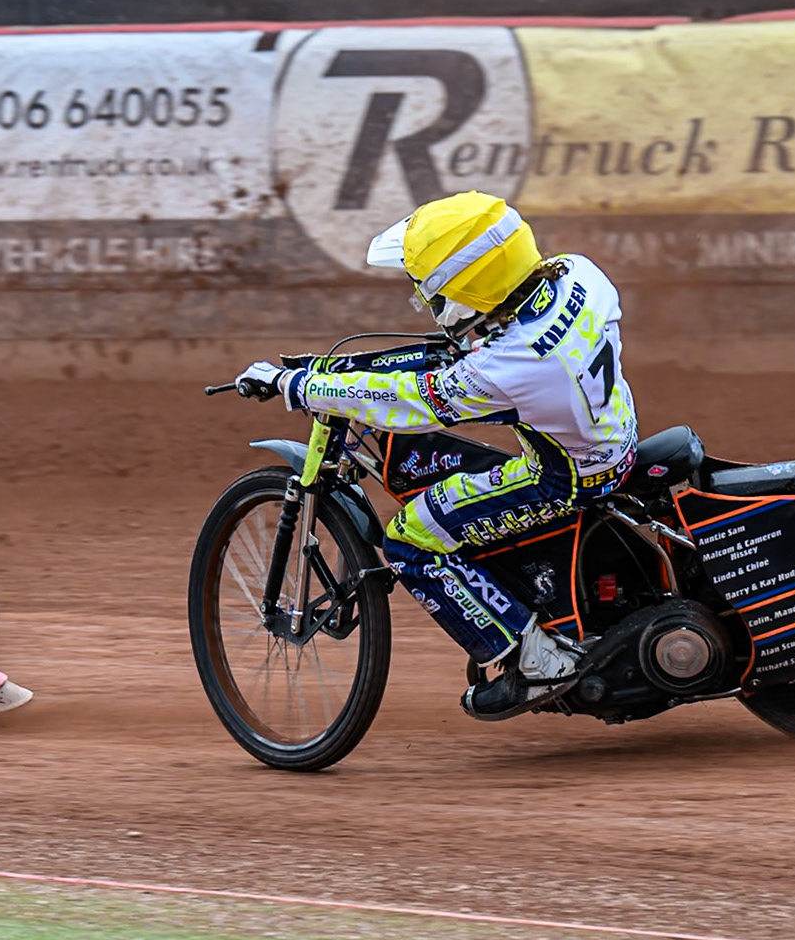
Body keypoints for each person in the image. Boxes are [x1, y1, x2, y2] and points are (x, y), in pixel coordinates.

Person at [235, 190, 639, 721]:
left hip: (565, 477)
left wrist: (297, 387)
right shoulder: (578, 275)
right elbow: (456, 355)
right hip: (610, 436)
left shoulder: (507, 366)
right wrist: (332, 369)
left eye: (428, 289)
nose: (426, 300)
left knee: (409, 538)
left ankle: (539, 662)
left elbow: (410, 401)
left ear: (466, 285)